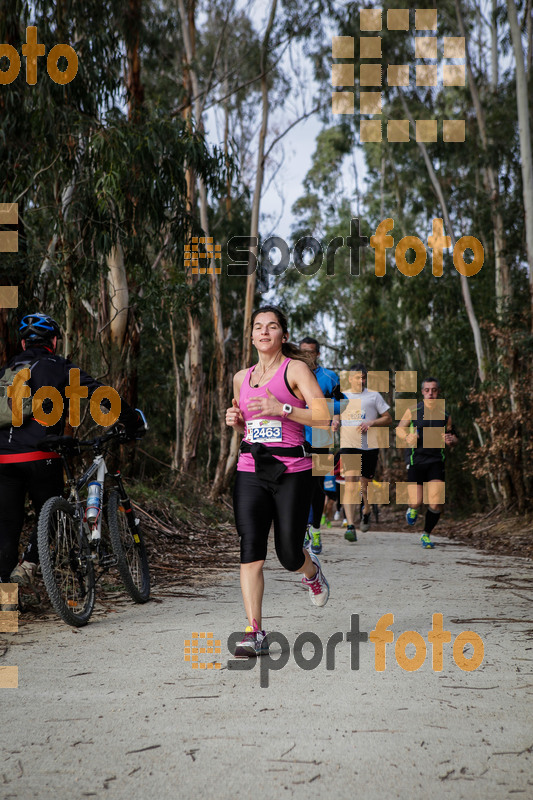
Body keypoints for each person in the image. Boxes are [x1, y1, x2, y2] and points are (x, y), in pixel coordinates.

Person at [0, 313, 144, 598]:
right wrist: (133, 421)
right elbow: (102, 396)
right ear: (54, 341)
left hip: (3, 459)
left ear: (23, 341)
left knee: (6, 531)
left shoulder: (7, 368)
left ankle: (7, 607)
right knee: (52, 513)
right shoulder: (59, 366)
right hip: (42, 454)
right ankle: (28, 566)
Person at [225, 306, 330, 658]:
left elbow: (324, 416)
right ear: (252, 335)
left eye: (272, 327)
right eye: (258, 327)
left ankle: (311, 571)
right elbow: (250, 426)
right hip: (250, 467)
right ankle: (254, 631)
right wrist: (237, 421)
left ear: (283, 335)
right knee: (250, 547)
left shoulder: (295, 369)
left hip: (292, 471)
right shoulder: (241, 378)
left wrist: (282, 408)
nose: (264, 332)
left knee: (287, 553)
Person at [397, 376, 458, 548]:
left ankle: (426, 534)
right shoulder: (413, 410)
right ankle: (413, 509)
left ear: (438, 392)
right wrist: (408, 436)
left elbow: (454, 437)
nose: (430, 393)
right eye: (427, 390)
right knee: (416, 500)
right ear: (422, 392)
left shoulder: (445, 415)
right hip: (416, 459)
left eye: (434, 390)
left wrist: (451, 441)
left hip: (436, 460)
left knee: (436, 501)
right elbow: (400, 429)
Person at [338, 363, 391, 542]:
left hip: (369, 446)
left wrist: (372, 423)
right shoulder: (342, 395)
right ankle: (351, 526)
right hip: (348, 444)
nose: (360, 380)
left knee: (364, 485)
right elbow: (335, 414)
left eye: (363, 377)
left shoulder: (374, 396)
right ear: (350, 378)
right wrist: (335, 422)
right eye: (356, 377)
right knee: (350, 482)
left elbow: (388, 418)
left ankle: (366, 509)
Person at [298, 336, 341, 555]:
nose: (306, 356)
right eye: (302, 351)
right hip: (297, 437)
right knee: (301, 485)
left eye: (310, 352)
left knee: (318, 487)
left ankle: (315, 529)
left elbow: (341, 402)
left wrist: (335, 417)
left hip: (322, 438)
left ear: (317, 354)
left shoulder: (329, 377)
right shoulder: (291, 373)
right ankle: (304, 528)